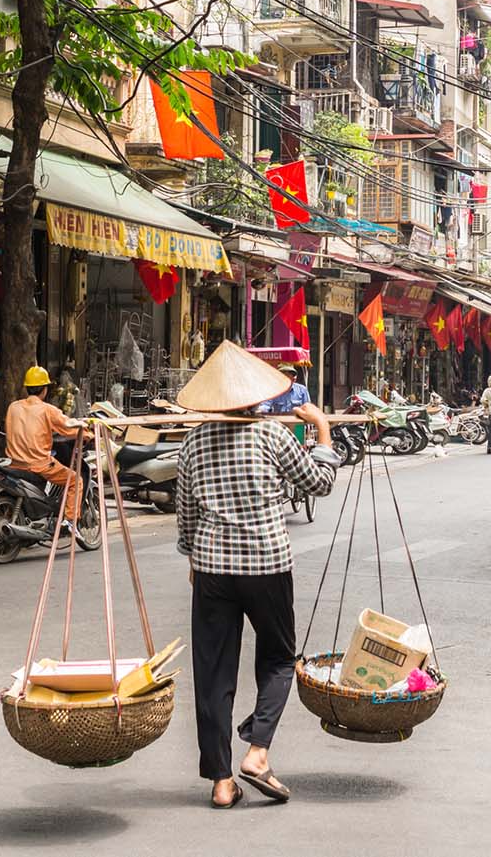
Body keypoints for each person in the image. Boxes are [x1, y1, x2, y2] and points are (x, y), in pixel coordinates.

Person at [174, 342, 339, 809]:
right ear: (255, 397)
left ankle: (221, 782)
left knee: (212, 672)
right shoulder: (272, 435)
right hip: (266, 563)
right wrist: (323, 427)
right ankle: (259, 751)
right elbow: (320, 483)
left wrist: (192, 558)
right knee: (280, 660)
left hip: (211, 568)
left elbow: (185, 515)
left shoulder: (192, 442)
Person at [5, 366, 85, 520]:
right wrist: (89, 432)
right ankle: (69, 522)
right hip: (39, 465)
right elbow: (69, 427)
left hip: (15, 464)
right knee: (75, 481)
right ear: (45, 389)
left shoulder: (13, 407)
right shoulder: (47, 410)